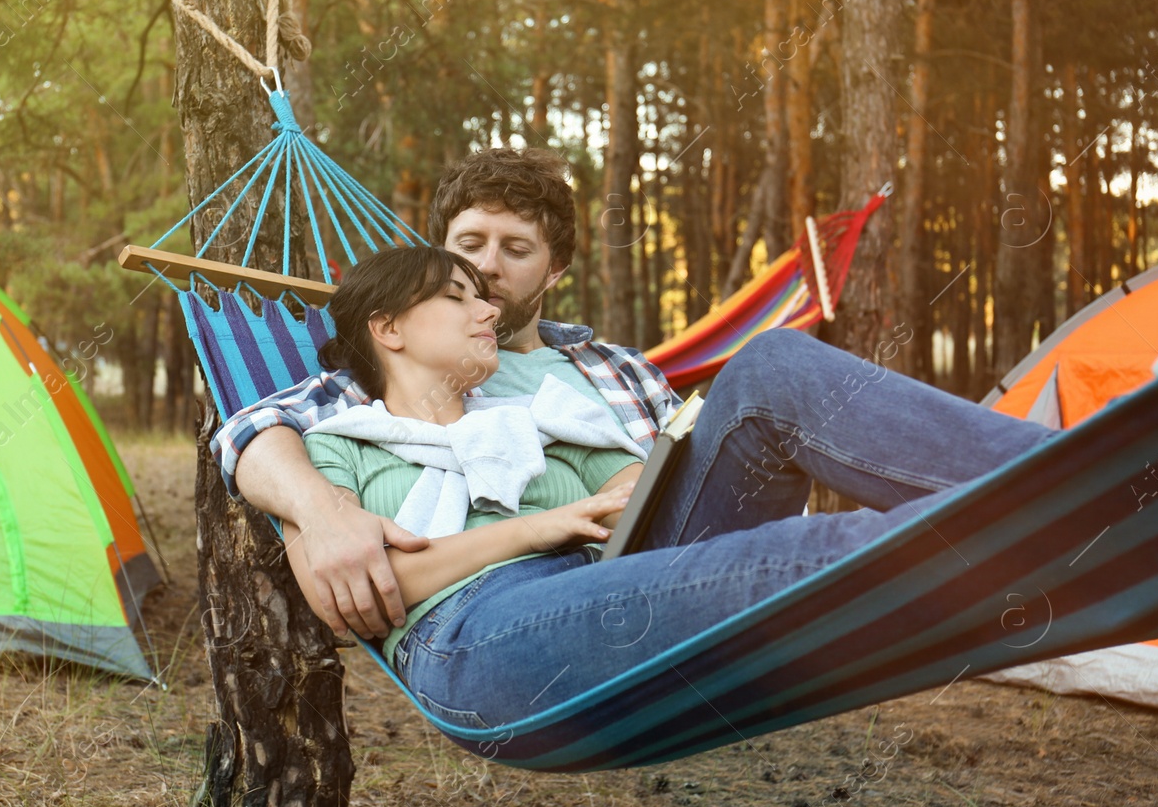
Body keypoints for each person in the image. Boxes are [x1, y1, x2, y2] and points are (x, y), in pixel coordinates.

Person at [293, 246, 1057, 729]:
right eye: (458, 296)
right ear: (389, 329)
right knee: (800, 553)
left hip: (621, 580)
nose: (489, 307)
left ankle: (1057, 478)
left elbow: (636, 487)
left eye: (482, 294)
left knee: (772, 365)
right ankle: (1007, 536)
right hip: (476, 635)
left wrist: (636, 485)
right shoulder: (332, 450)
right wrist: (541, 525)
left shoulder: (536, 417)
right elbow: (373, 589)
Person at [217, 148, 678, 639]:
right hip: (504, 615)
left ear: (555, 270)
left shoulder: (624, 371)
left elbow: (683, 490)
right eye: (469, 244)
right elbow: (252, 431)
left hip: (646, 578)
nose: (487, 267)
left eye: (517, 251)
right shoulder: (403, 377)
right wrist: (322, 513)